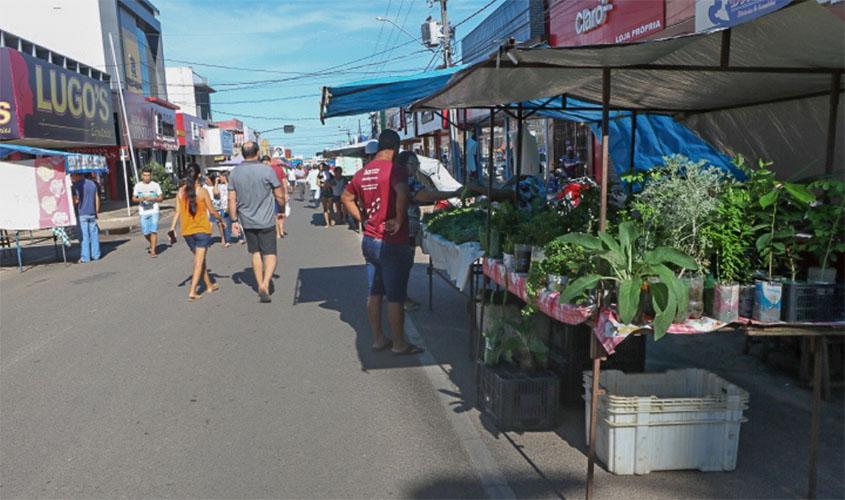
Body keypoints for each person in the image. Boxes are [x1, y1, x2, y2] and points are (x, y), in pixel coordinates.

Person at [341, 130, 422, 356]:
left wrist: (363, 218)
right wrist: (398, 219)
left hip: (370, 239)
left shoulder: (361, 174)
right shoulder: (395, 170)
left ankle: (378, 338)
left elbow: (346, 198)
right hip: (391, 241)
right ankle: (399, 343)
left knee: (375, 292)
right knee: (395, 296)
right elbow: (403, 193)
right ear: (395, 149)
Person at [396, 151, 461, 311]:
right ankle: (401, 298)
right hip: (407, 228)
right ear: (404, 165)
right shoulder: (407, 180)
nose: (417, 168)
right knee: (405, 264)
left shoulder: (398, 178)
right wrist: (454, 193)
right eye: (414, 164)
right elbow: (425, 195)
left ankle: (396, 295)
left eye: (417, 165)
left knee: (399, 264)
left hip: (402, 227)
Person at [228, 141, 287, 303]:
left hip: (247, 221)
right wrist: (281, 209)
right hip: (266, 220)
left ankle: (259, 282)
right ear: (258, 153)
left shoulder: (234, 173)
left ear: (242, 154)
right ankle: (266, 283)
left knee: (255, 252)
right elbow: (279, 195)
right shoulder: (267, 171)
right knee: (270, 253)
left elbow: (231, 199)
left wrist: (233, 220)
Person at [168, 163, 223, 301]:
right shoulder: (202, 191)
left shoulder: (180, 192)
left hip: (187, 232)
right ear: (199, 175)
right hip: (202, 231)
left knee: (201, 258)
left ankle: (209, 285)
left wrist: (172, 227)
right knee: (199, 261)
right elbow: (212, 211)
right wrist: (221, 219)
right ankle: (192, 291)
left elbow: (178, 211)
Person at [131, 167, 163, 257]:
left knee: (153, 231)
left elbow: (161, 198)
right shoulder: (138, 186)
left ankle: (153, 251)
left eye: (148, 175)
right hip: (143, 211)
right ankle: (152, 243)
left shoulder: (155, 185)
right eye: (145, 175)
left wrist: (154, 198)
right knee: (145, 232)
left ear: (151, 176)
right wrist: (139, 199)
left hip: (154, 210)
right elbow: (133, 198)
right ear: (142, 176)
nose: (147, 177)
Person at [71, 172, 100, 263]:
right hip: (92, 212)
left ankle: (85, 257)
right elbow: (97, 198)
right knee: (94, 235)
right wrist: (96, 211)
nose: (72, 178)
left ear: (76, 175)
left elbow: (76, 200)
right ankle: (96, 255)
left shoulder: (75, 186)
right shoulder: (92, 184)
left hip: (81, 213)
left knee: (84, 236)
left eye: (72, 176)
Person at [203, 174, 229, 247]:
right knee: (208, 224)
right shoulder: (205, 187)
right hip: (208, 208)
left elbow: (217, 194)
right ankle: (207, 240)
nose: (206, 181)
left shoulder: (218, 186)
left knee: (219, 224)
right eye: (205, 180)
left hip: (218, 208)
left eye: (207, 180)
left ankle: (223, 238)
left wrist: (217, 183)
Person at [269, 158, 290, 238]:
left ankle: (277, 233)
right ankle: (281, 230)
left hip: (271, 194)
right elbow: (284, 181)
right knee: (282, 213)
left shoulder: (268, 170)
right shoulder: (280, 169)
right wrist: (286, 193)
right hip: (281, 193)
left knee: (275, 214)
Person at [318, 163, 335, 227]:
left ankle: (332, 220)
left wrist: (329, 185)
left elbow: (334, 183)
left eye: (323, 167)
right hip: (323, 192)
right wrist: (322, 185)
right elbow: (318, 182)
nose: (322, 168)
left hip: (330, 192)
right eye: (321, 167)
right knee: (325, 208)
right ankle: (327, 223)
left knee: (330, 207)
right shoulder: (320, 174)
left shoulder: (330, 174)